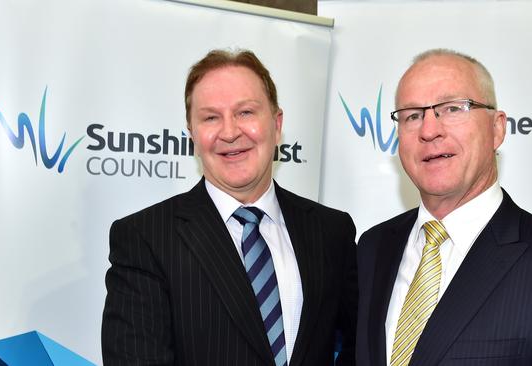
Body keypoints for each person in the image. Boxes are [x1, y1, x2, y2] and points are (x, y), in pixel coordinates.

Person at [356, 49, 532, 366]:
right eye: (413, 115)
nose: (429, 131)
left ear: (497, 128)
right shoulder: (373, 248)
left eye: (452, 108)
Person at [102, 49, 357, 366]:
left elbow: (360, 347)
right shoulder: (145, 239)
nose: (230, 132)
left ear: (277, 125)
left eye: (246, 112)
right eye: (210, 117)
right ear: (192, 135)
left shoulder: (331, 231)